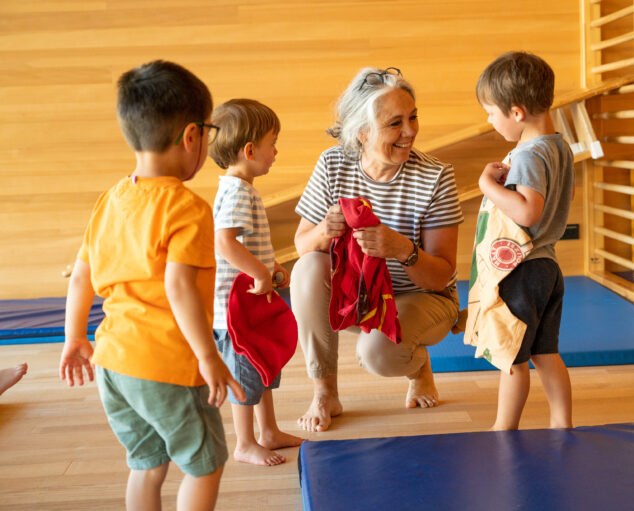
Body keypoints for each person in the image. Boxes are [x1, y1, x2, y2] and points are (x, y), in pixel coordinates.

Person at [58, 60, 245, 511]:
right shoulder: (188, 208)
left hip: (113, 364)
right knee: (205, 463)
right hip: (165, 367)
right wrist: (208, 357)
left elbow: (81, 274)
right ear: (191, 137)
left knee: (146, 463)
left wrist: (73, 337)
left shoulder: (111, 199)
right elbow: (178, 287)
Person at [291, 67, 464, 432]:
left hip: (422, 297)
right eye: (395, 123)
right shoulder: (332, 163)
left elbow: (442, 275)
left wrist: (402, 248)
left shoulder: (436, 176)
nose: (411, 131)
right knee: (306, 269)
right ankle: (325, 393)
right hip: (363, 296)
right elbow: (302, 244)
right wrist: (324, 230)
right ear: (362, 132)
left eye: (413, 117)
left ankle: (418, 365)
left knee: (378, 355)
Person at [475, 51, 574, 431]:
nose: (489, 120)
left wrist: (486, 185)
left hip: (524, 267)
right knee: (546, 353)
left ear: (516, 112)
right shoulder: (558, 145)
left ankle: (504, 428)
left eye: (490, 112)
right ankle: (562, 424)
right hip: (547, 266)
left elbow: (528, 213)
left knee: (512, 356)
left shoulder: (530, 153)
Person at [208, 98, 303, 466]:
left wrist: (270, 264)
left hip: (250, 303)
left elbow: (245, 244)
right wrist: (260, 273)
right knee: (246, 375)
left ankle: (269, 432)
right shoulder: (235, 191)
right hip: (235, 312)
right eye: (272, 142)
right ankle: (245, 442)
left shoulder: (242, 189)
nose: (276, 151)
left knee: (262, 365)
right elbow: (224, 242)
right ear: (249, 150)